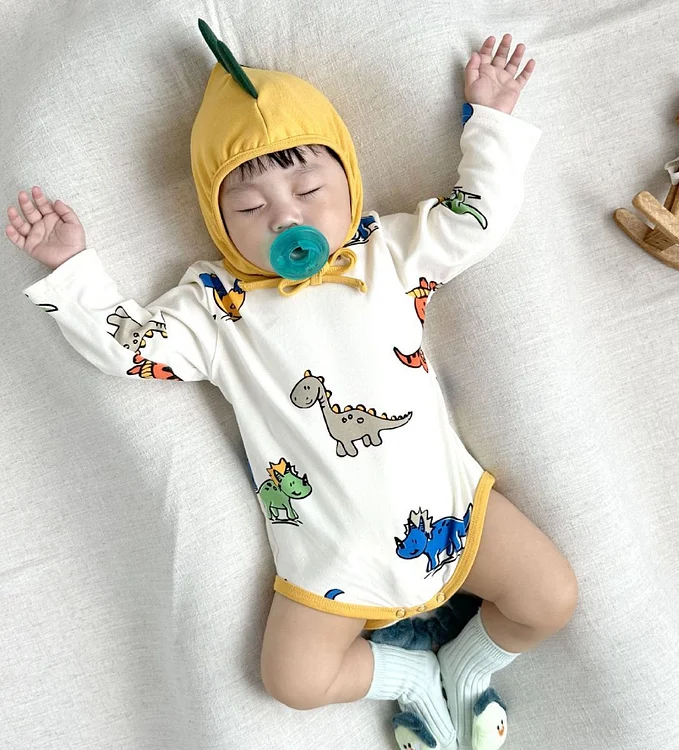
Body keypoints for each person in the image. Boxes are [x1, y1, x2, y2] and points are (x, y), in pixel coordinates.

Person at [6, 22, 577, 750]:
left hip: (454, 512)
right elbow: (134, 350)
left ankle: (466, 667)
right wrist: (72, 269)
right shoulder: (216, 306)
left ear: (349, 183)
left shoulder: (388, 254)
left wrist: (489, 120)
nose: (286, 215)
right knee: (292, 680)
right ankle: (408, 677)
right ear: (219, 223)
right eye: (250, 208)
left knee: (551, 598)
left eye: (309, 189)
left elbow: (478, 219)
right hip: (329, 563)